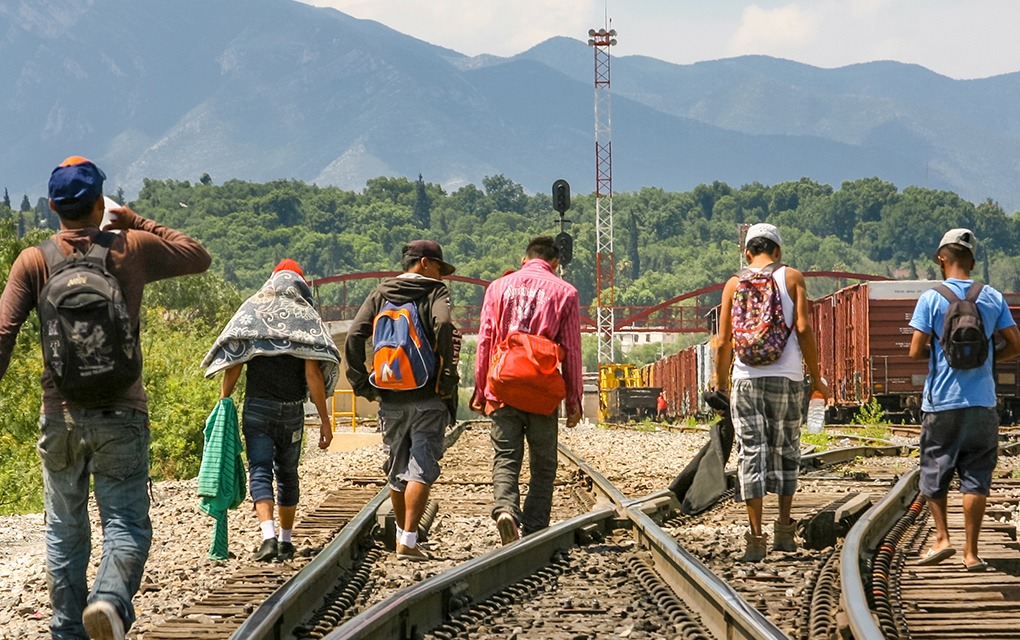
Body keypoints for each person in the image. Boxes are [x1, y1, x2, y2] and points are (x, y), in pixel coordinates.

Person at [0, 156, 211, 640]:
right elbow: (197, 255)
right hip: (122, 411)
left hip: (60, 415)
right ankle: (110, 602)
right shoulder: (130, 247)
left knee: (64, 531)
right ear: (101, 203)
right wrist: (136, 220)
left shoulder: (33, 260)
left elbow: (3, 333)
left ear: (52, 206)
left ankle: (67, 631)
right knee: (126, 525)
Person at [203, 259, 341, 563]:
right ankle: (286, 541)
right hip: (291, 412)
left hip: (257, 409)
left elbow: (236, 359)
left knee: (261, 469)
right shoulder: (306, 317)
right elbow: (313, 375)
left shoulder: (253, 310)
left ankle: (268, 538)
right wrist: (324, 420)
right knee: (287, 473)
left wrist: (224, 400)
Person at [714, 222, 828, 562]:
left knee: (751, 452)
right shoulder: (792, 278)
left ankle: (755, 539)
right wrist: (816, 378)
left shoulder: (733, 284)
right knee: (786, 449)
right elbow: (804, 329)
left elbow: (723, 341)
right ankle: (784, 533)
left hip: (746, 379)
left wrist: (720, 383)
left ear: (747, 252)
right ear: (777, 251)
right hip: (788, 376)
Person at [907, 228, 1020, 571]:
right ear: (972, 260)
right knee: (977, 475)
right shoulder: (992, 297)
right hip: (982, 402)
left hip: (942, 402)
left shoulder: (931, 298)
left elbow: (914, 351)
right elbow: (1015, 344)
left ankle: (942, 539)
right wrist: (989, 358)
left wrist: (939, 353)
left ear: (942, 259)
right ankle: (971, 553)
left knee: (934, 470)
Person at [345, 240, 461, 561]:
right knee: (422, 465)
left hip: (390, 395)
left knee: (397, 469)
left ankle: (401, 534)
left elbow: (354, 335)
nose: (441, 274)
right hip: (427, 394)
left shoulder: (380, 293)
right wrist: (446, 374)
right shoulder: (435, 291)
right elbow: (443, 324)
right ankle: (408, 540)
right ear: (424, 262)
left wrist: (361, 382)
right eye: (438, 267)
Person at [471, 236, 583, 545]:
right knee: (544, 463)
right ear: (554, 263)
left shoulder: (497, 288)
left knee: (506, 456)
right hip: (542, 390)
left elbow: (485, 340)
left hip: (503, 385)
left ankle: (506, 509)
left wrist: (481, 388)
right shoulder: (566, 292)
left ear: (524, 259)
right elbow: (572, 349)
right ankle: (534, 530)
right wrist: (573, 399)